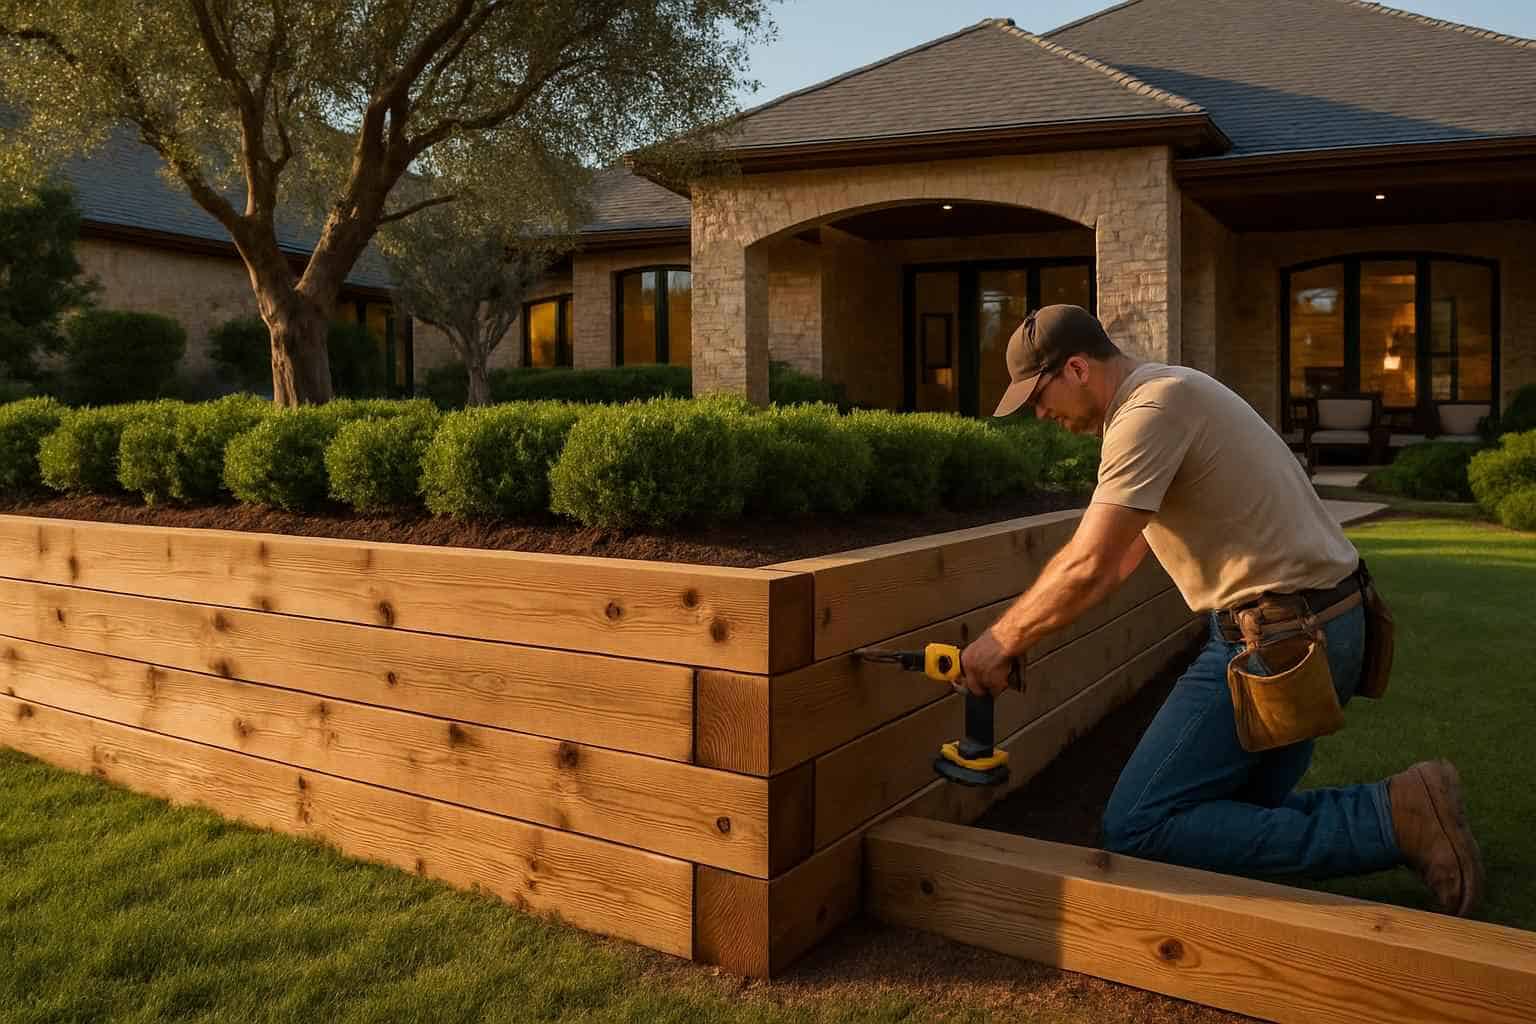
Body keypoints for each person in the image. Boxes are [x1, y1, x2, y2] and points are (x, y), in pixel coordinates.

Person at [957, 304, 1483, 917]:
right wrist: (1030, 635)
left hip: (1281, 641)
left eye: (1039, 397)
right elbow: (1122, 557)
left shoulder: (1148, 411)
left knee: (1141, 826)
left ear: (1076, 368)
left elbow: (1091, 563)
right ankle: (1408, 807)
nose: (1041, 416)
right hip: (1324, 621)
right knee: (1230, 820)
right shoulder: (1170, 391)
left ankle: (1391, 819)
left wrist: (999, 641)